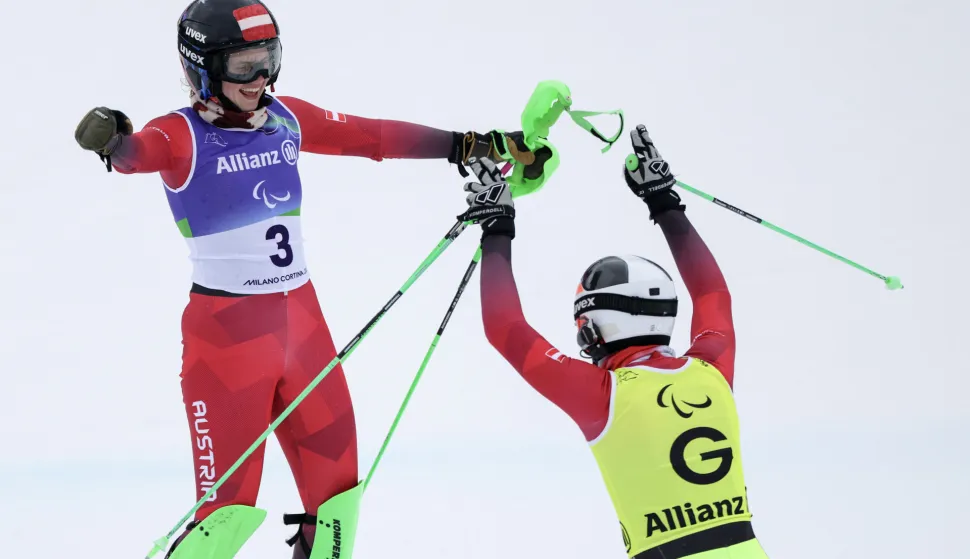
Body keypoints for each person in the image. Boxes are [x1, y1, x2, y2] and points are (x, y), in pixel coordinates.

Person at [72, 1, 542, 557]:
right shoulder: (179, 135)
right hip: (227, 343)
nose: (260, 77)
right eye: (243, 65)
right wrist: (114, 141)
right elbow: (138, 155)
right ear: (203, 67)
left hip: (303, 327)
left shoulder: (285, 119)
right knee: (221, 521)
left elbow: (372, 137)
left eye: (268, 59)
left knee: (338, 506)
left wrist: (470, 144)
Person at [457, 125, 771, 559]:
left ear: (596, 327)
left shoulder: (605, 395)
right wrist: (664, 202)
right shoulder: (712, 369)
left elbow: (504, 327)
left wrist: (497, 229)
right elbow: (712, 294)